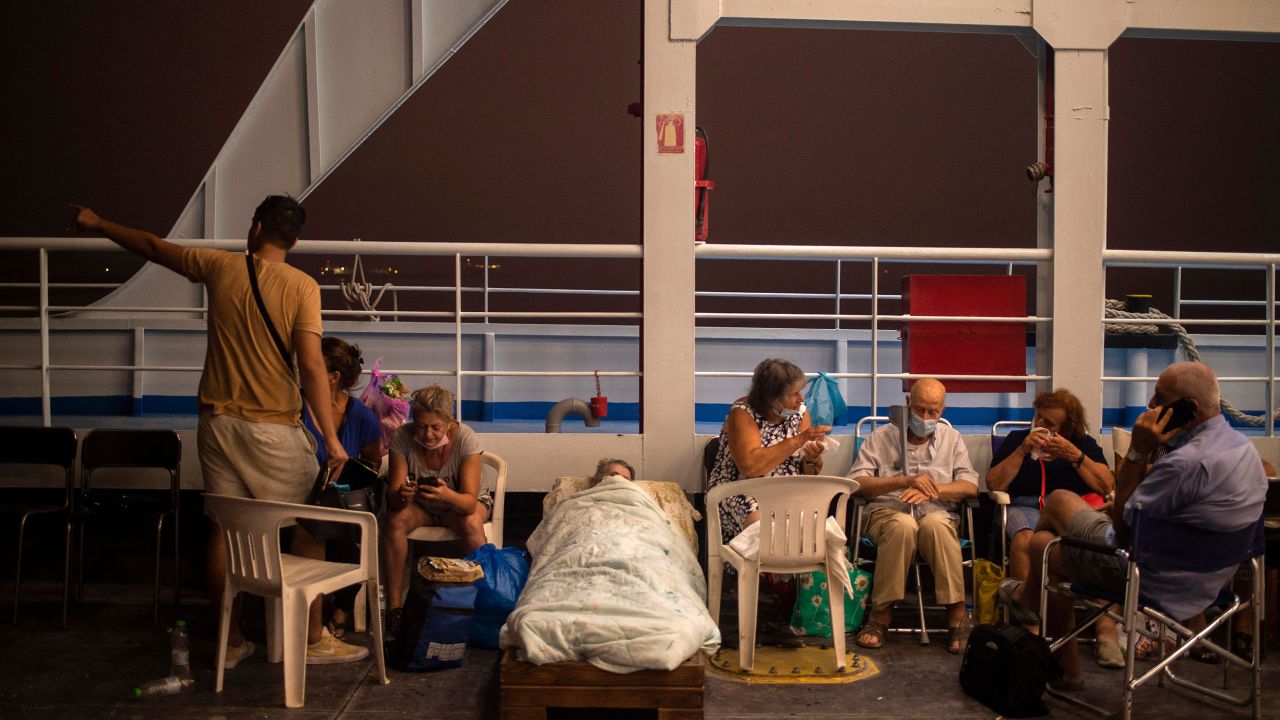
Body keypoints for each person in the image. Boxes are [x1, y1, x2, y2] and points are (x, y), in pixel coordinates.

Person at [71, 197, 367, 665]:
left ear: (254, 229)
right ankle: (310, 639)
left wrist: (97, 221)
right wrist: (331, 438)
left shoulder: (217, 266)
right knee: (311, 523)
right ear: (294, 240)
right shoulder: (302, 286)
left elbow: (151, 245)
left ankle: (230, 643)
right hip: (270, 425)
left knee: (226, 531)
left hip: (214, 423)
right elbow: (312, 365)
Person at [1001, 362, 1267, 689]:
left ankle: (1041, 625)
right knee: (1043, 539)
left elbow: (1124, 528)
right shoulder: (1244, 449)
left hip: (1149, 577)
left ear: (1190, 408)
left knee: (1051, 523)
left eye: (1159, 397)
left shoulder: (1187, 462)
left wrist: (1139, 450)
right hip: (1214, 579)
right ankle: (1060, 641)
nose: (1150, 405)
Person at [985, 388, 1123, 668]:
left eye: (1050, 424)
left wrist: (1075, 456)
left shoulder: (1083, 444)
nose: (1041, 427)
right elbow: (994, 484)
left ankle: (1106, 631)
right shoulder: (1016, 440)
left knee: (1095, 547)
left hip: (1072, 510)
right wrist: (1023, 450)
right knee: (1025, 539)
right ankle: (1031, 627)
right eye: (1038, 419)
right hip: (1024, 505)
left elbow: (1106, 486)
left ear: (1067, 428)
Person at [848, 378, 978, 654]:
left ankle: (957, 615)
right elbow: (857, 484)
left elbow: (970, 485)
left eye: (933, 412)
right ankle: (880, 615)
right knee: (902, 525)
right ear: (907, 404)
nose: (926, 418)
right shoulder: (881, 437)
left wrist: (933, 490)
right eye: (919, 410)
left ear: (942, 410)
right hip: (887, 512)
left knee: (936, 526)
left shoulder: (951, 439)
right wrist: (903, 481)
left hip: (936, 512)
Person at [380, 384, 488, 632]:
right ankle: (395, 609)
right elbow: (394, 500)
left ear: (449, 423)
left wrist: (447, 495)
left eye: (435, 427)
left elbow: (469, 502)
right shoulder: (401, 438)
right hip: (423, 507)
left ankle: (481, 605)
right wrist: (403, 494)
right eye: (421, 426)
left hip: (460, 505)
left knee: (472, 522)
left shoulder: (466, 439)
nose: (427, 434)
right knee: (395, 520)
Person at [301, 337, 382, 636]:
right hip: (302, 502)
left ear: (333, 377)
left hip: (340, 506)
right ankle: (308, 617)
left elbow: (372, 463)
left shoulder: (359, 415)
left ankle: (340, 608)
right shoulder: (296, 406)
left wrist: (344, 481)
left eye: (313, 366)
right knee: (309, 534)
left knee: (356, 539)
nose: (303, 370)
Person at [706, 358, 831, 544]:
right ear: (771, 397)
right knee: (761, 527)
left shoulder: (800, 413)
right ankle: (766, 568)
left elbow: (808, 471)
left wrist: (812, 459)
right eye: (793, 394)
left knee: (819, 527)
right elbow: (750, 467)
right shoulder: (742, 413)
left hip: (786, 491)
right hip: (739, 489)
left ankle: (801, 566)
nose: (801, 399)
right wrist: (798, 440)